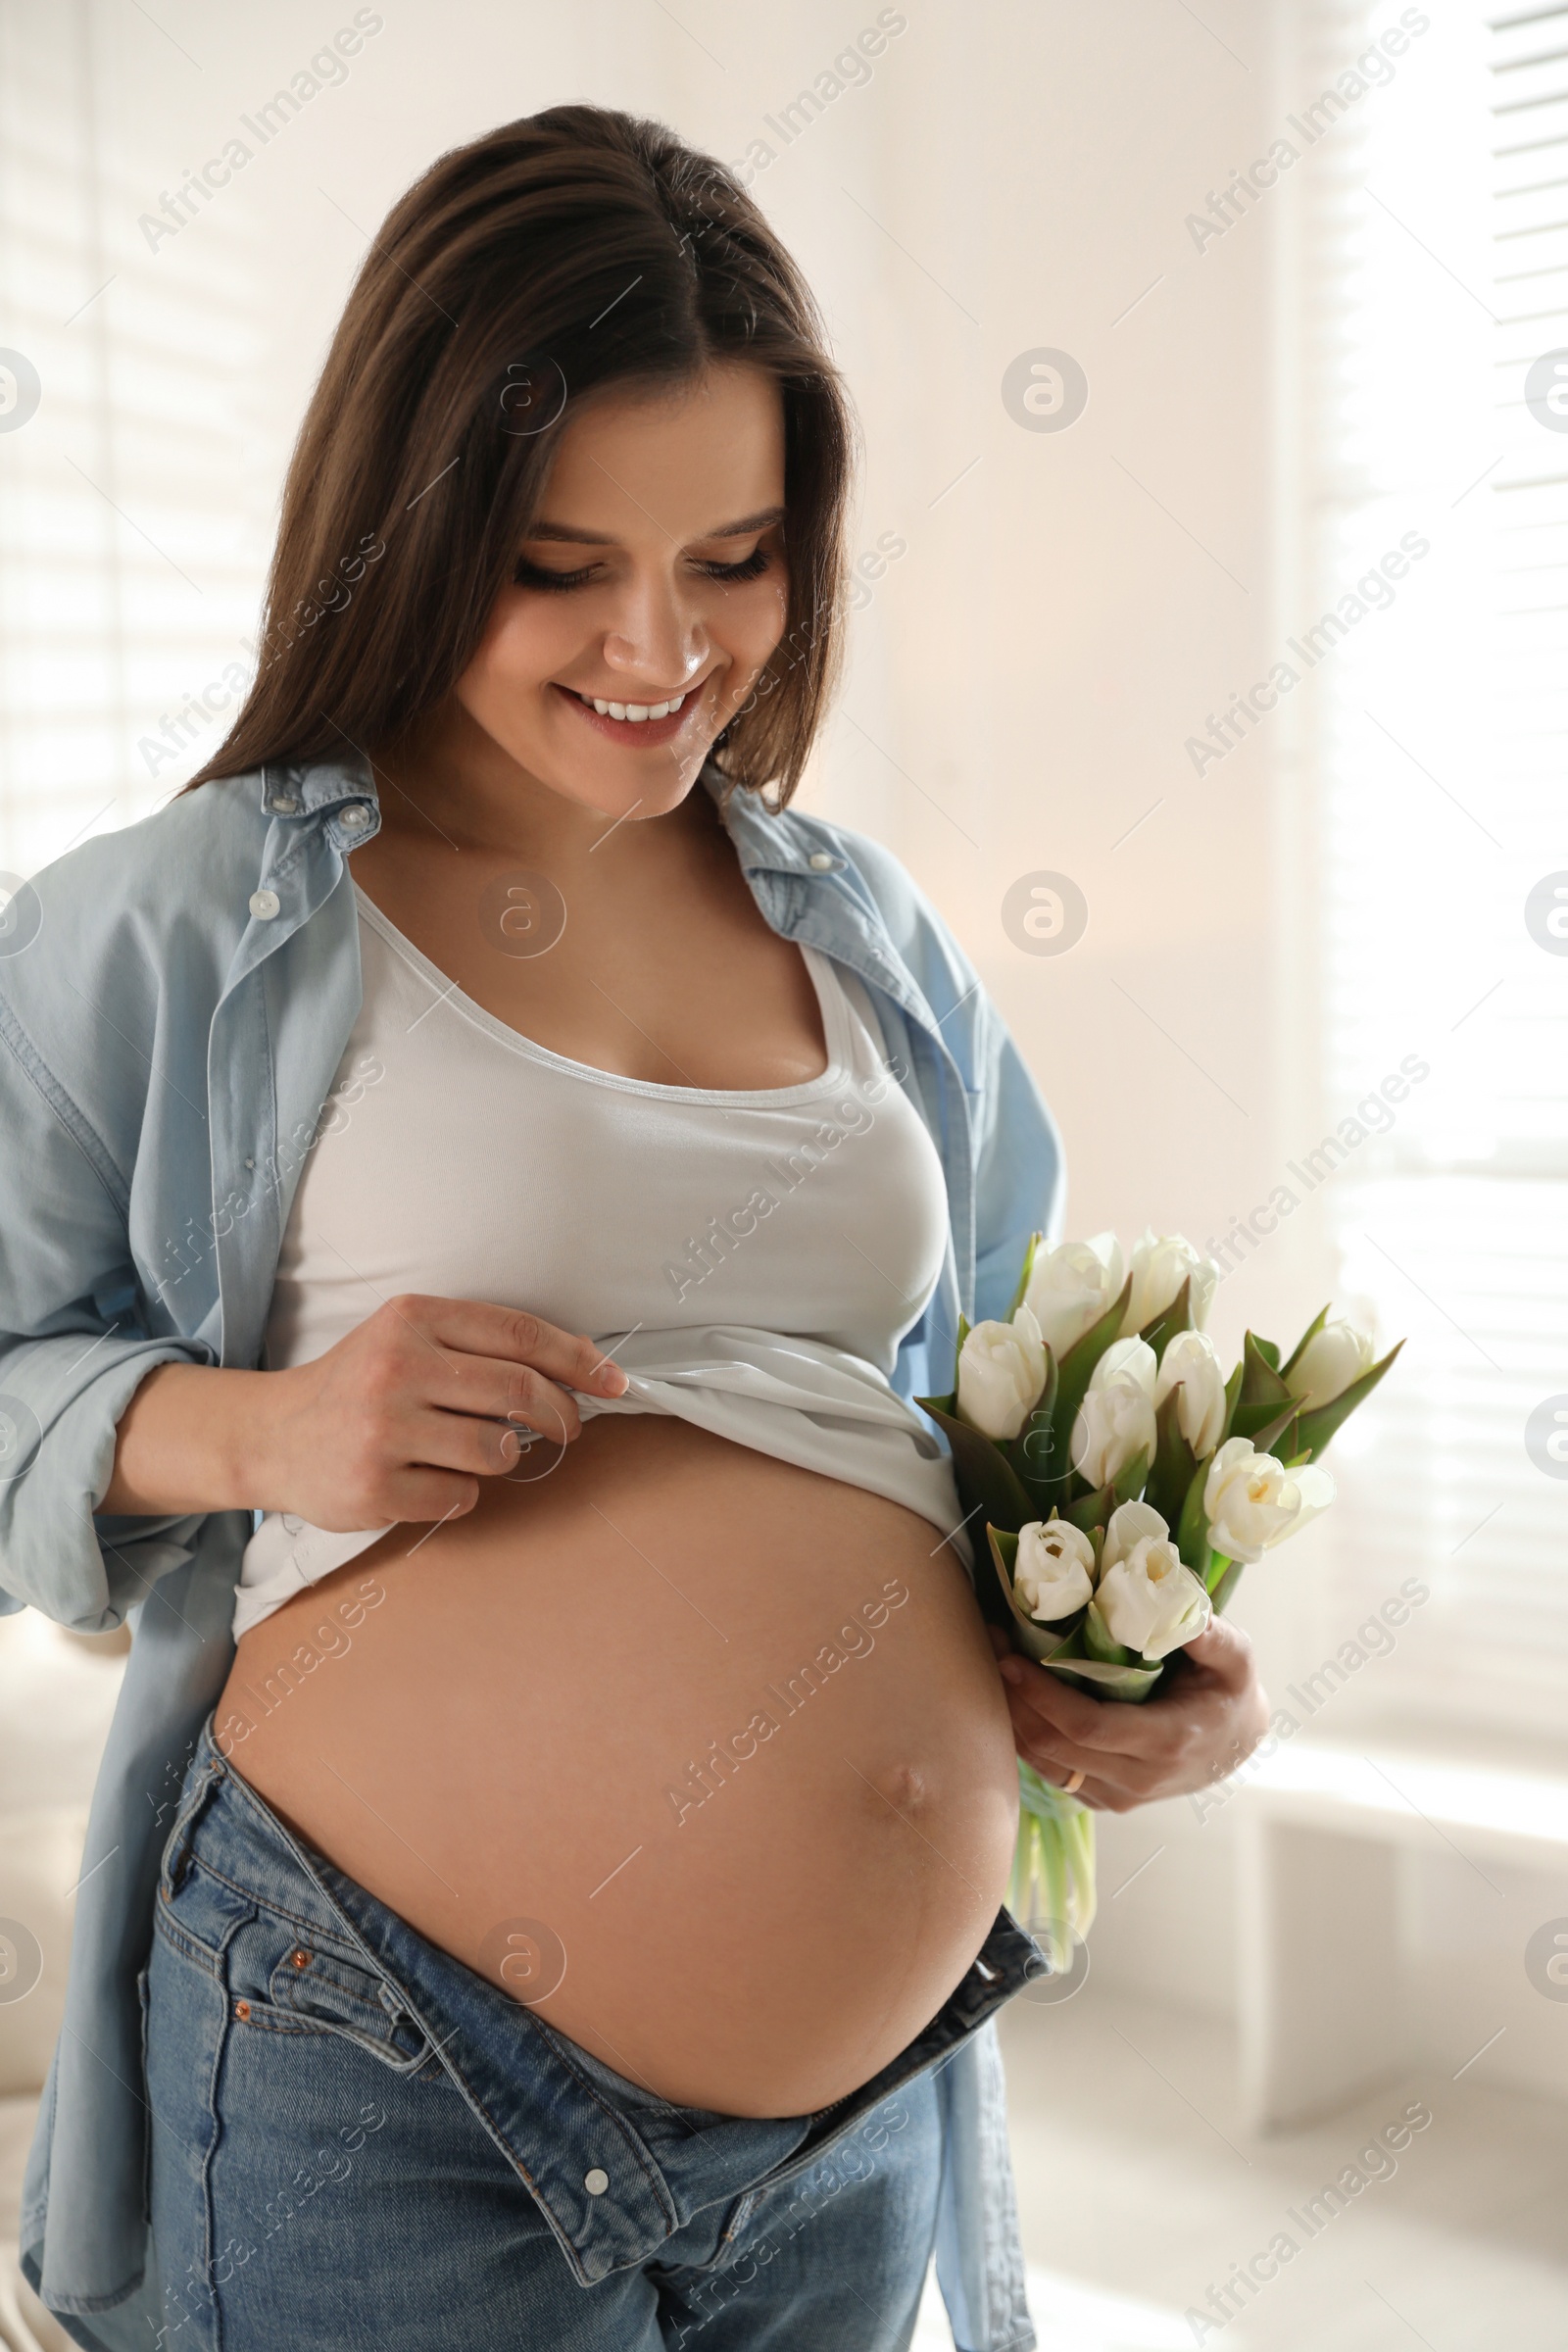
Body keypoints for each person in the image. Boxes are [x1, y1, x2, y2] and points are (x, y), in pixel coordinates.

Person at [2, 104, 1267, 2352]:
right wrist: (254, 1431)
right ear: (411, 529)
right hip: (373, 2051)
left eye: (737, 555)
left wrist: (1129, 1682)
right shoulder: (180, 929)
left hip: (853, 2108)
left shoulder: (864, 932)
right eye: (559, 563)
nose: (659, 649)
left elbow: (1000, 1399)